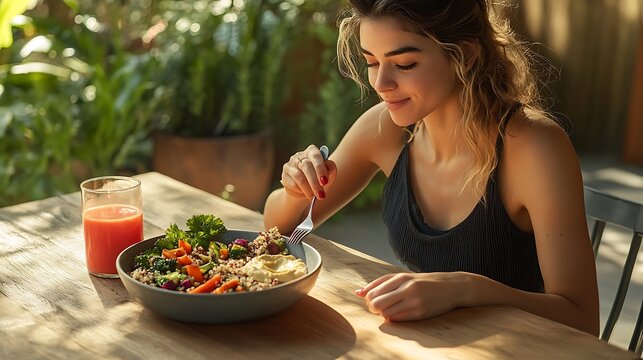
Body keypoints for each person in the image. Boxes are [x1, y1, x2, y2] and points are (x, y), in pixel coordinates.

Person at [263, 0, 599, 335]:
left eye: (405, 64)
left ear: (464, 56)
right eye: (371, 61)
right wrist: (296, 191)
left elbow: (581, 319)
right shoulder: (385, 129)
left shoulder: (534, 147)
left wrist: (467, 289)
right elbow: (278, 227)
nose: (381, 83)